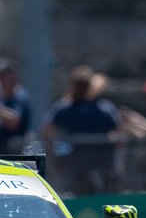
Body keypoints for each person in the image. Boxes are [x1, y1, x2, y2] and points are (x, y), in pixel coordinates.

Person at [42, 65, 120, 195]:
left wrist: (56, 153)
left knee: (79, 200)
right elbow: (119, 135)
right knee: (104, 199)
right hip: (102, 165)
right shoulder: (105, 108)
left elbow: (46, 131)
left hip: (76, 165)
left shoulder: (64, 107)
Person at [0, 59, 31, 154]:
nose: (1, 81)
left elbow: (13, 121)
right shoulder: (0, 99)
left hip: (15, 155)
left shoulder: (20, 97)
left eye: (4, 77)